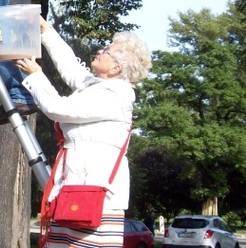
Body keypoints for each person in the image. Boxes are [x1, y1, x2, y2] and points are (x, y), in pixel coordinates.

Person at [15, 17, 152, 248]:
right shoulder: (99, 87)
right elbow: (71, 68)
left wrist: (36, 75)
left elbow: (58, 109)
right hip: (77, 187)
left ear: (116, 67)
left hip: (94, 196)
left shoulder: (115, 95)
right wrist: (46, 31)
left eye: (107, 50)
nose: (100, 50)